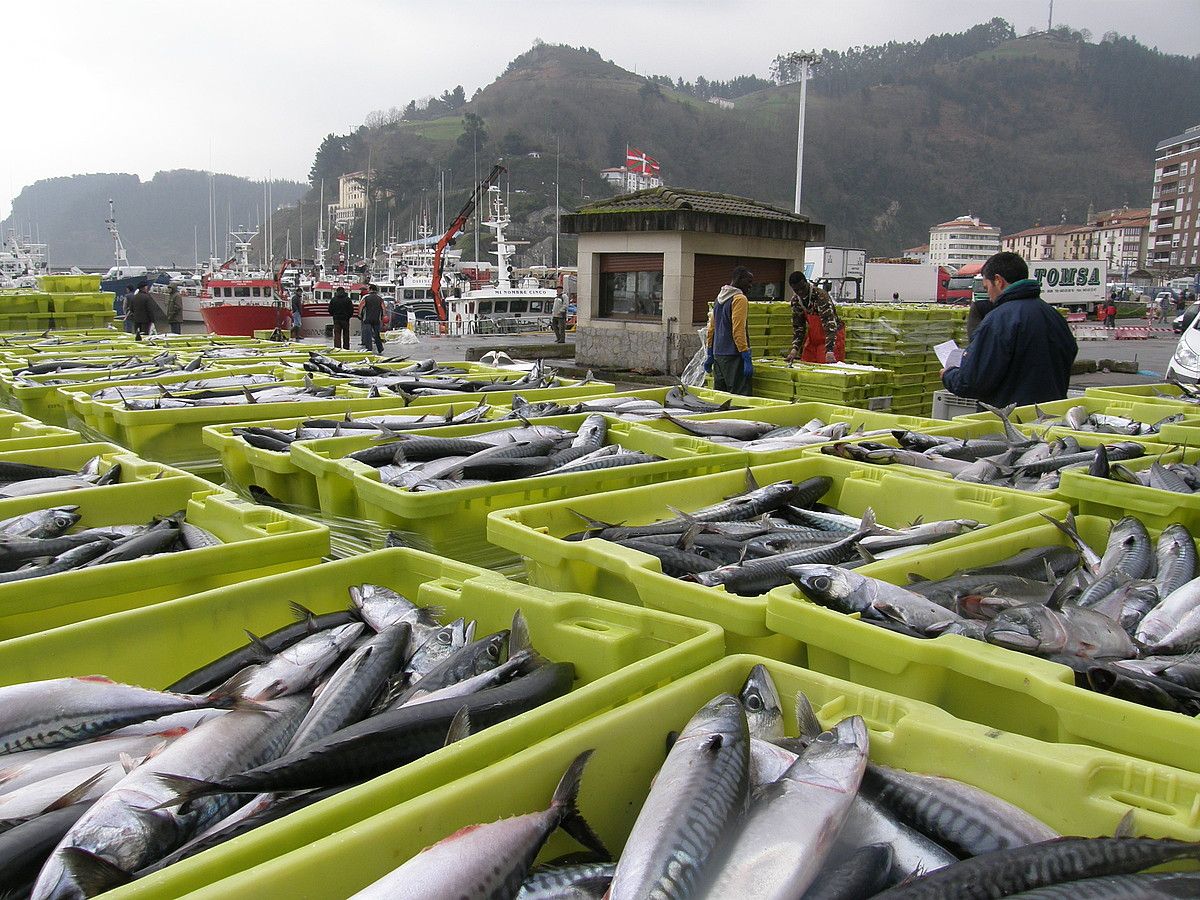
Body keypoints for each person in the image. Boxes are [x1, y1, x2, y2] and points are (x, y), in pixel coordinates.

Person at [942, 252, 1077, 408]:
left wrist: (948, 374)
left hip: (1009, 421)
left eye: (987, 288)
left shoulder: (999, 320)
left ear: (998, 281)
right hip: (1051, 415)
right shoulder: (1054, 316)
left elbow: (971, 382)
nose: (989, 296)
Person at [704, 266, 754, 395]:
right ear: (739, 279)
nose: (751, 286)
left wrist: (710, 353)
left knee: (721, 397)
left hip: (718, 356)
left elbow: (711, 329)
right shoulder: (739, 299)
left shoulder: (719, 299)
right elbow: (738, 330)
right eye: (749, 281)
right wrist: (745, 355)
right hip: (734, 356)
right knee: (739, 398)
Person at [786, 271, 844, 364]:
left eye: (802, 288)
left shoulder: (820, 296)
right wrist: (795, 349)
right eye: (797, 290)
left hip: (830, 337)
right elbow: (799, 327)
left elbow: (830, 324)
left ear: (807, 283)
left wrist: (829, 350)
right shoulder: (796, 301)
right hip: (813, 339)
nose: (801, 292)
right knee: (806, 365)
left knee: (826, 369)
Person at [358, 284, 385, 354]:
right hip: (376, 319)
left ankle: (369, 348)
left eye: (368, 288)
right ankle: (380, 348)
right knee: (377, 334)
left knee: (368, 334)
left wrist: (359, 314)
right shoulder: (380, 299)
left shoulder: (366, 298)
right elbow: (383, 308)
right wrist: (383, 316)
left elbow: (361, 306)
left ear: (370, 289)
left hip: (367, 319)